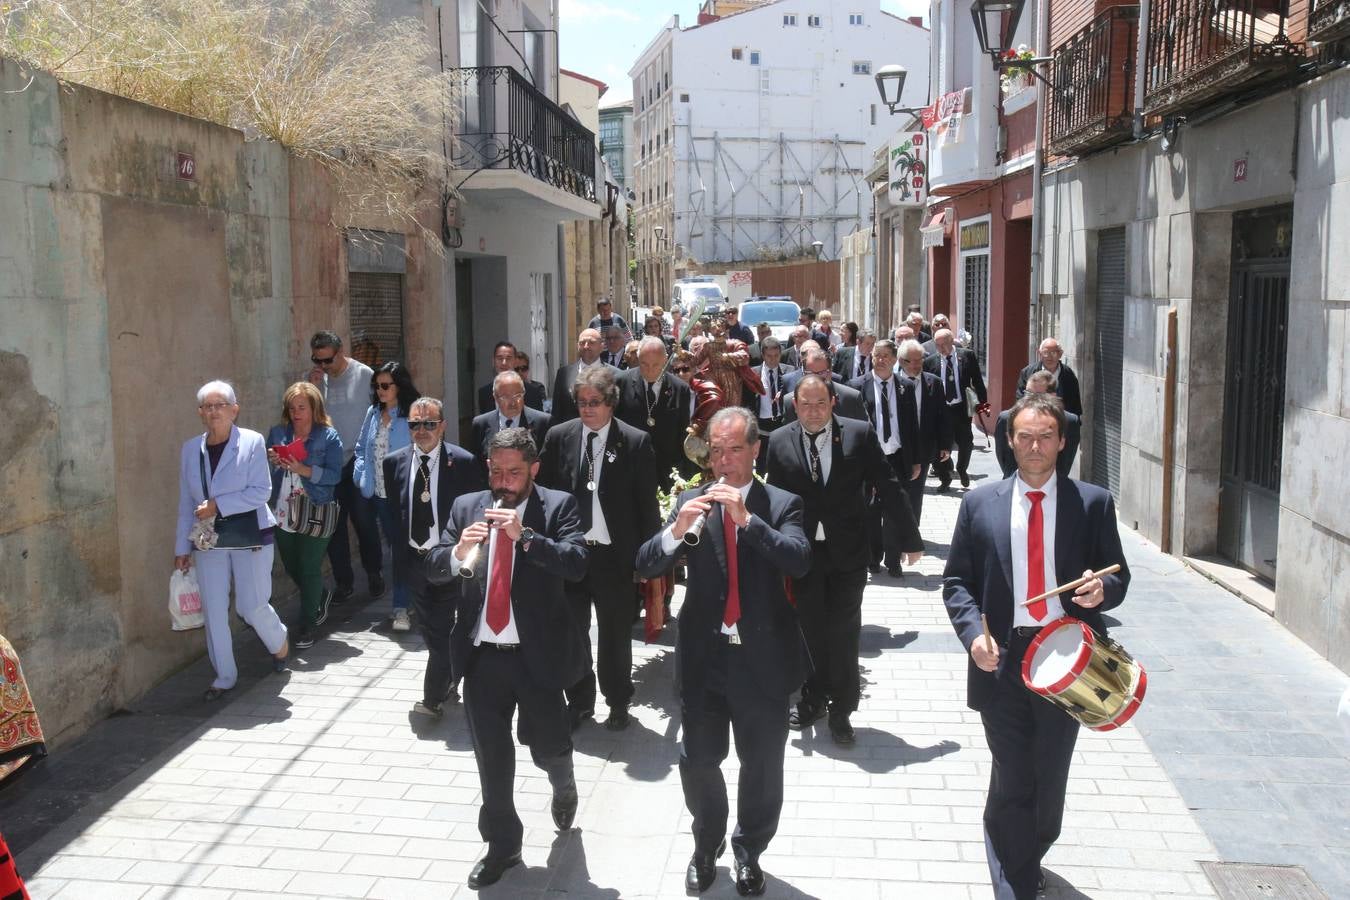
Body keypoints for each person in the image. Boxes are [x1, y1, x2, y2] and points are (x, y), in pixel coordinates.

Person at [943, 392, 1130, 900]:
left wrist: (1101, 589)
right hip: (1001, 657)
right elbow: (956, 582)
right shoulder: (980, 502)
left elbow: (1118, 576)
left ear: (1062, 441)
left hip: (1067, 659)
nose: (1034, 445)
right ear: (1009, 440)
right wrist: (971, 635)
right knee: (1014, 774)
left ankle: (1029, 848)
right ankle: (1015, 881)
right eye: (1024, 436)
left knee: (1047, 783)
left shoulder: (1091, 503)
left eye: (1046, 436)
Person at [635, 407, 812, 897]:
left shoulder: (781, 503)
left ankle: (750, 849)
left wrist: (747, 520)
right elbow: (645, 563)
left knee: (762, 765)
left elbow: (798, 561)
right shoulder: (691, 500)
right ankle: (706, 842)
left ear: (756, 451)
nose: (725, 461)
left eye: (736, 449)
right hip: (705, 658)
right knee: (698, 759)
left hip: (762, 662)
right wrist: (675, 531)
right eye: (716, 450)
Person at [427, 428, 589, 890]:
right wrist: (457, 553)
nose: (503, 481)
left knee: (548, 745)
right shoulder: (466, 508)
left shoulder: (557, 507)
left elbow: (576, 563)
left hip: (536, 657)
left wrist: (527, 538)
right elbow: (435, 565)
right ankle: (503, 846)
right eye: (496, 471)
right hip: (482, 657)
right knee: (492, 760)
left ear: (533, 470)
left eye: (514, 472)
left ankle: (564, 780)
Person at [765, 375, 921, 743]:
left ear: (833, 402)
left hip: (849, 552)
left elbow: (889, 485)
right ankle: (813, 696)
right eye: (806, 404)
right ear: (794, 405)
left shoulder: (859, 433)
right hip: (804, 553)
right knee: (810, 630)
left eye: (821, 403)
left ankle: (843, 709)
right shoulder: (779, 440)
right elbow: (771, 497)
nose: (814, 411)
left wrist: (909, 539)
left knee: (843, 631)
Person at [537, 367, 660, 731]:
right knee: (572, 633)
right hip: (571, 555)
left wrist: (647, 559)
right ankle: (579, 701)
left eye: (594, 403)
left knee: (614, 636)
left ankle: (618, 700)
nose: (587, 409)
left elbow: (646, 505)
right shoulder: (560, 436)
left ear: (611, 403)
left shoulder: (635, 442)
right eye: (581, 403)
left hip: (614, 558)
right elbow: (543, 495)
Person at [174, 381, 290, 700]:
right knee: (214, 608)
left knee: (251, 606)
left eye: (220, 405)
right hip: (209, 538)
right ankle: (224, 675)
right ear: (200, 413)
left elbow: (261, 491)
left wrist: (217, 505)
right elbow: (187, 501)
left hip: (251, 533)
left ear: (234, 409)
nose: (214, 412)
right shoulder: (190, 449)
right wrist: (181, 548)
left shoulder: (251, 442)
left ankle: (279, 642)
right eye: (207, 407)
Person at [383, 397, 484, 717]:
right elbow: (392, 512)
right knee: (429, 629)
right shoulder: (393, 462)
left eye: (429, 424)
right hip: (413, 558)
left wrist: (468, 552)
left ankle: (433, 699)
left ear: (443, 425)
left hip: (450, 557)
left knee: (440, 629)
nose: (422, 430)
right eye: (415, 424)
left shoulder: (464, 462)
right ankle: (451, 674)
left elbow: (476, 510)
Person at [267, 382, 346, 650]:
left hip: (316, 507)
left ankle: (306, 623)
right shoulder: (278, 433)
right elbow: (266, 473)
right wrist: (275, 461)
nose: (296, 412)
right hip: (283, 509)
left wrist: (304, 469)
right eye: (292, 407)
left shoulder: (328, 437)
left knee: (310, 566)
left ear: (314, 408)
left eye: (302, 407)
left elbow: (335, 475)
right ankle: (320, 595)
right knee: (292, 566)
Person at [307, 331, 378, 605]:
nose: (323, 366)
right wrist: (315, 390)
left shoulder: (364, 376)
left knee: (364, 521)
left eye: (327, 360)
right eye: (317, 360)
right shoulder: (315, 380)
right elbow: (309, 419)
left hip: (358, 461)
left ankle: (374, 573)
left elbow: (378, 412)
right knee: (334, 526)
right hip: (330, 465)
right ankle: (344, 582)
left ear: (340, 351)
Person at [352, 362, 418, 632]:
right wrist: (360, 476)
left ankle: (401, 607)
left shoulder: (412, 415)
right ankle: (413, 596)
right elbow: (360, 449)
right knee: (400, 550)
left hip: (404, 496)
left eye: (385, 385)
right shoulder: (373, 413)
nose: (379, 390)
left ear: (398, 386)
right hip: (377, 494)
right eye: (376, 386)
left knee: (401, 552)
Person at [852, 340, 923, 575]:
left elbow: (913, 426)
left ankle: (893, 561)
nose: (880, 360)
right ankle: (873, 558)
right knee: (870, 510)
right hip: (869, 459)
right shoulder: (857, 387)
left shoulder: (905, 386)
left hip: (897, 457)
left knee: (896, 510)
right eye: (876, 355)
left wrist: (916, 460)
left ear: (894, 360)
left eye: (885, 356)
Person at [616, 337, 692, 489]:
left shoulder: (680, 389)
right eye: (644, 364)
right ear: (638, 359)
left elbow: (683, 434)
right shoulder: (621, 382)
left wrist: (685, 476)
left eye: (656, 365)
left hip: (667, 471)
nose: (650, 370)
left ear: (665, 360)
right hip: (630, 470)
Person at [895, 339, 952, 525]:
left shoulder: (933, 383)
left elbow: (942, 415)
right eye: (913, 360)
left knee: (916, 491)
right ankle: (895, 530)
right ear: (902, 361)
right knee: (897, 490)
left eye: (920, 359)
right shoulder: (892, 382)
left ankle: (912, 531)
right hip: (897, 446)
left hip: (923, 446)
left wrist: (945, 445)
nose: (918, 364)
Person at [924, 329, 990, 491]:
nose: (941, 348)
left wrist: (983, 403)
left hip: (961, 407)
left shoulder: (966, 355)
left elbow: (977, 380)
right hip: (941, 410)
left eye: (944, 344)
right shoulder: (930, 362)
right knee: (941, 445)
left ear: (951, 341)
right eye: (937, 345)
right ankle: (945, 477)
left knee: (966, 442)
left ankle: (962, 468)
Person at [995, 372, 1082, 478]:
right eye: (1027, 393)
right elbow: (1003, 457)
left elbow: (1066, 462)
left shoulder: (1070, 421)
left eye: (1035, 395)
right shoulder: (1006, 418)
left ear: (1052, 396)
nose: (1029, 399)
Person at [470, 371, 552, 478]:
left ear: (524, 394)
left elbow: (548, 467)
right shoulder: (480, 424)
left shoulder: (543, 422)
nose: (513, 402)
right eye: (506, 397)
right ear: (495, 397)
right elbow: (477, 467)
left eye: (517, 396)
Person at [550, 328, 618, 424]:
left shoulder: (615, 375)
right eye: (582, 343)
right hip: (571, 435)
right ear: (578, 346)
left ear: (602, 346)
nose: (586, 346)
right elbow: (557, 411)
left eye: (591, 342)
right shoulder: (563, 373)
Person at [784, 348, 868, 422]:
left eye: (821, 373)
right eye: (811, 373)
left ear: (830, 372)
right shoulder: (790, 401)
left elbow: (863, 433)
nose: (816, 377)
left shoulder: (851, 398)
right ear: (803, 373)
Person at [744, 337, 796, 446]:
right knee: (762, 461)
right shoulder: (752, 374)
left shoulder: (790, 371)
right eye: (769, 356)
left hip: (783, 424)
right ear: (763, 355)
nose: (773, 359)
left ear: (781, 354)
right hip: (761, 428)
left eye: (776, 355)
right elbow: (746, 400)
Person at [1016, 338, 1083, 417]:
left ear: (1060, 354)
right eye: (1045, 352)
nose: (1049, 356)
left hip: (1061, 421)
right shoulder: (1028, 372)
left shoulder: (1068, 374)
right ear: (1039, 353)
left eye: (1053, 352)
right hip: (1034, 418)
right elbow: (1020, 398)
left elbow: (1075, 405)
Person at [478, 342, 545, 414]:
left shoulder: (533, 392)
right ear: (493, 361)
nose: (504, 363)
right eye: (500, 358)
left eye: (508, 358)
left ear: (515, 361)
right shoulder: (484, 393)